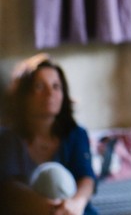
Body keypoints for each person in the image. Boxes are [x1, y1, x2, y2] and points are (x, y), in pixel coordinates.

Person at [0, 54, 98, 215]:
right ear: (24, 95)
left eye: (56, 86)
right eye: (40, 86)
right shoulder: (7, 138)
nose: (49, 93)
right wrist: (49, 208)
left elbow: (86, 178)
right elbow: (7, 187)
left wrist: (75, 204)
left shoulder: (76, 134)